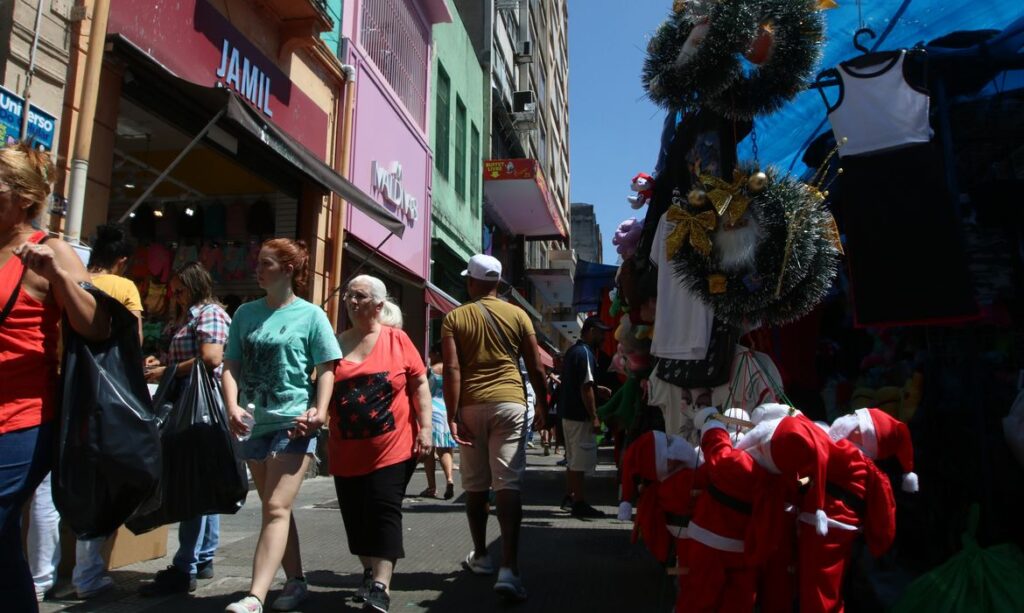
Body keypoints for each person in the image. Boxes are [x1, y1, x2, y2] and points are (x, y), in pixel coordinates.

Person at [0, 143, 109, 612]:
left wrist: (58, 278)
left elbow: (98, 324)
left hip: (23, 420)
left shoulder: (51, 248)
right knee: (4, 540)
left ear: (23, 197)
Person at [222, 239, 341, 613]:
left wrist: (320, 411)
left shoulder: (311, 315)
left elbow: (327, 368)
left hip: (294, 424)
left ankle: (255, 595)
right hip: (254, 424)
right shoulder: (245, 313)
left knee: (275, 507)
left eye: (266, 263)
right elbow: (231, 364)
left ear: (288, 270)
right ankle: (296, 581)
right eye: (258, 262)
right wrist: (230, 405)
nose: (257, 269)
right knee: (277, 510)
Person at [28, 222, 142, 601]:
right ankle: (87, 576)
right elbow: (133, 345)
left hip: (56, 385)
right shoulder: (122, 287)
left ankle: (40, 577)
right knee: (95, 481)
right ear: (122, 260)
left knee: (45, 489)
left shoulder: (61, 274)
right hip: (98, 398)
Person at [441, 254, 548, 602]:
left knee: (474, 485)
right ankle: (510, 568)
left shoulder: (455, 317)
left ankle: (481, 556)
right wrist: (544, 404)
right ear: (499, 284)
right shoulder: (519, 315)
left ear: (472, 282)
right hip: (511, 404)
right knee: (508, 484)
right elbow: (535, 366)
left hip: (471, 405)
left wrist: (453, 413)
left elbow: (453, 370)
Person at [329, 274, 433, 613]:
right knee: (355, 517)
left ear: (378, 305)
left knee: (384, 511)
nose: (351, 301)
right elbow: (322, 388)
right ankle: (368, 570)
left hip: (392, 447)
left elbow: (419, 385)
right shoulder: (335, 343)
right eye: (348, 296)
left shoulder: (397, 340)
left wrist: (427, 428)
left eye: (359, 296)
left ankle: (380, 586)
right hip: (346, 451)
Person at [139, 261, 231, 596]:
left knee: (192, 483)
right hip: (188, 405)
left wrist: (166, 371)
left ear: (194, 285)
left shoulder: (209, 314)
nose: (174, 295)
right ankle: (202, 558)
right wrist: (159, 363)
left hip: (201, 408)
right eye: (173, 290)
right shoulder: (188, 316)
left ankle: (185, 566)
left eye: (180, 289)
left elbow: (211, 359)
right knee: (202, 483)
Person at [559, 315, 612, 518]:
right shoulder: (585, 353)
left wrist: (597, 389)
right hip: (579, 417)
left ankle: (571, 496)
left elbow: (581, 384)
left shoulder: (574, 351)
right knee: (580, 462)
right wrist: (595, 416)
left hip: (569, 414)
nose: (604, 337)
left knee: (573, 460)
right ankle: (578, 502)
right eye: (601, 333)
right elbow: (585, 386)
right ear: (590, 331)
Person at [419, 343, 456, 500]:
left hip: (431, 411)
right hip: (446, 411)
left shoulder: (430, 370)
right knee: (445, 450)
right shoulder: (451, 369)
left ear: (436, 353)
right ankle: (449, 479)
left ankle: (432, 487)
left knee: (429, 452)